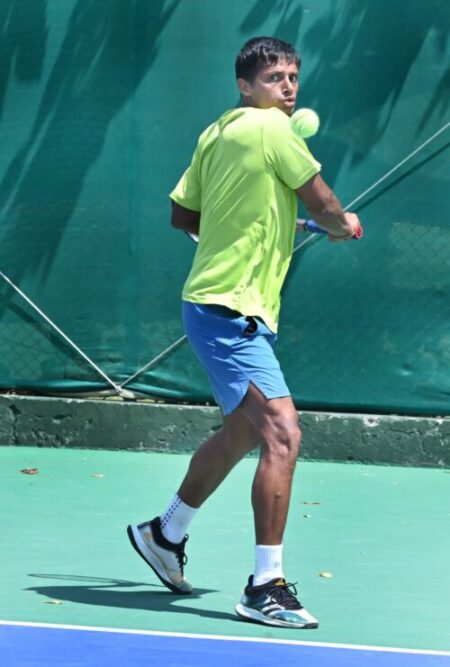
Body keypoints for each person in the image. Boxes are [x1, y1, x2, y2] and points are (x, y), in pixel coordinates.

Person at [128, 36, 361, 629]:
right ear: (245, 84)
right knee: (282, 432)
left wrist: (254, 224)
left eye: (292, 78)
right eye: (274, 78)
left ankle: (164, 533)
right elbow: (325, 203)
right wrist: (340, 224)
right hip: (229, 311)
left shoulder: (216, 132)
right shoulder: (275, 129)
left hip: (215, 306)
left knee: (242, 433)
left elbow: (184, 215)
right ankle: (265, 586)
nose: (287, 88)